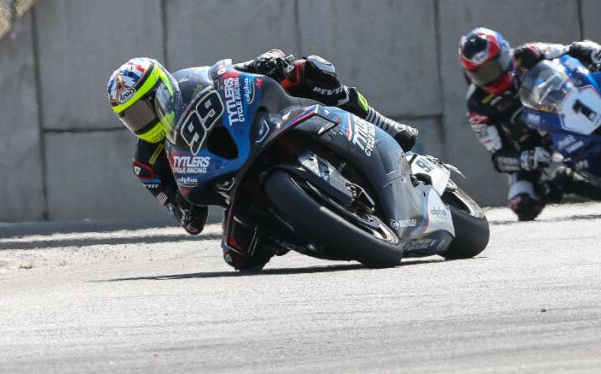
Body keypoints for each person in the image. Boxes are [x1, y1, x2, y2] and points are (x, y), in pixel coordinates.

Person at [106, 50, 418, 270]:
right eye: (131, 118)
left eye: (144, 110)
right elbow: (190, 222)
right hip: (234, 189)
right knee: (240, 258)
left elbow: (229, 72)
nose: (142, 122)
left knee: (309, 69)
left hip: (251, 139)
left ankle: (381, 124)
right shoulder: (146, 165)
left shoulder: (190, 84)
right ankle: (317, 229)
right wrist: (185, 201)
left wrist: (267, 61)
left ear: (161, 89)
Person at [458, 27, 601, 221]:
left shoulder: (528, 53)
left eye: (493, 67)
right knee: (522, 205)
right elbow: (498, 156)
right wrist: (526, 158)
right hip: (534, 148)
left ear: (505, 53)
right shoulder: (477, 104)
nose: (490, 76)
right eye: (479, 73)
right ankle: (559, 183)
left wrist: (595, 51)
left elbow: (569, 50)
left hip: (568, 112)